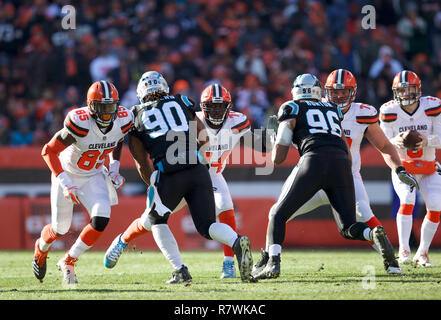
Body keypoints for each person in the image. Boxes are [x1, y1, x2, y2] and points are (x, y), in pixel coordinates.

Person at [252, 69, 419, 276]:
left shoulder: (292, 107)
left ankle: (272, 263)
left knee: (277, 213)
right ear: (321, 91)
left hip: (313, 165)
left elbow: (278, 158)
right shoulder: (332, 110)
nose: (339, 96)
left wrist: (274, 142)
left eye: (344, 92)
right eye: (335, 92)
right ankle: (374, 235)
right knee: (350, 226)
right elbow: (346, 150)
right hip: (342, 169)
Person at [104, 82, 271, 279]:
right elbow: (205, 141)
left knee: (221, 205)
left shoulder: (231, 120)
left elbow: (139, 157)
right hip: (198, 168)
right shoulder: (185, 107)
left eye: (220, 106)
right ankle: (123, 241)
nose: (216, 111)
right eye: (212, 106)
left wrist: (270, 142)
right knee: (153, 220)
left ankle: (225, 264)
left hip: (196, 172)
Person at [32, 80, 133, 284]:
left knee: (101, 218)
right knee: (60, 229)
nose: (106, 113)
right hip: (68, 173)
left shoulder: (123, 119)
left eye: (110, 107)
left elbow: (117, 138)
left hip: (94, 174)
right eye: (101, 108)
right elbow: (48, 151)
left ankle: (69, 260)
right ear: (90, 106)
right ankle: (40, 248)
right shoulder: (80, 122)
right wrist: (66, 182)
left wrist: (114, 167)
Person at [379, 70, 441, 267]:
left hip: (429, 166)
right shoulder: (388, 111)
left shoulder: (432, 106)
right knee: (406, 200)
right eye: (402, 90)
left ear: (418, 89)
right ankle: (404, 249)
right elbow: (381, 142)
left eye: (410, 89)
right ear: (395, 92)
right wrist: (395, 141)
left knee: (436, 207)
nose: (406, 94)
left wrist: (427, 140)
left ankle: (422, 253)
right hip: (404, 166)